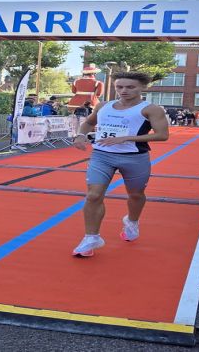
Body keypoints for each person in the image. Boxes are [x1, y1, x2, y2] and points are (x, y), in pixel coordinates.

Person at [71, 71, 169, 257]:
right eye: (119, 87)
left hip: (134, 157)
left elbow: (162, 135)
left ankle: (132, 221)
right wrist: (80, 135)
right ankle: (91, 237)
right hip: (102, 155)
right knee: (93, 195)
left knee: (136, 195)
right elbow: (88, 124)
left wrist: (126, 138)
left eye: (130, 87)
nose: (124, 91)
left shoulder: (151, 109)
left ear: (142, 87)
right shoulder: (103, 106)